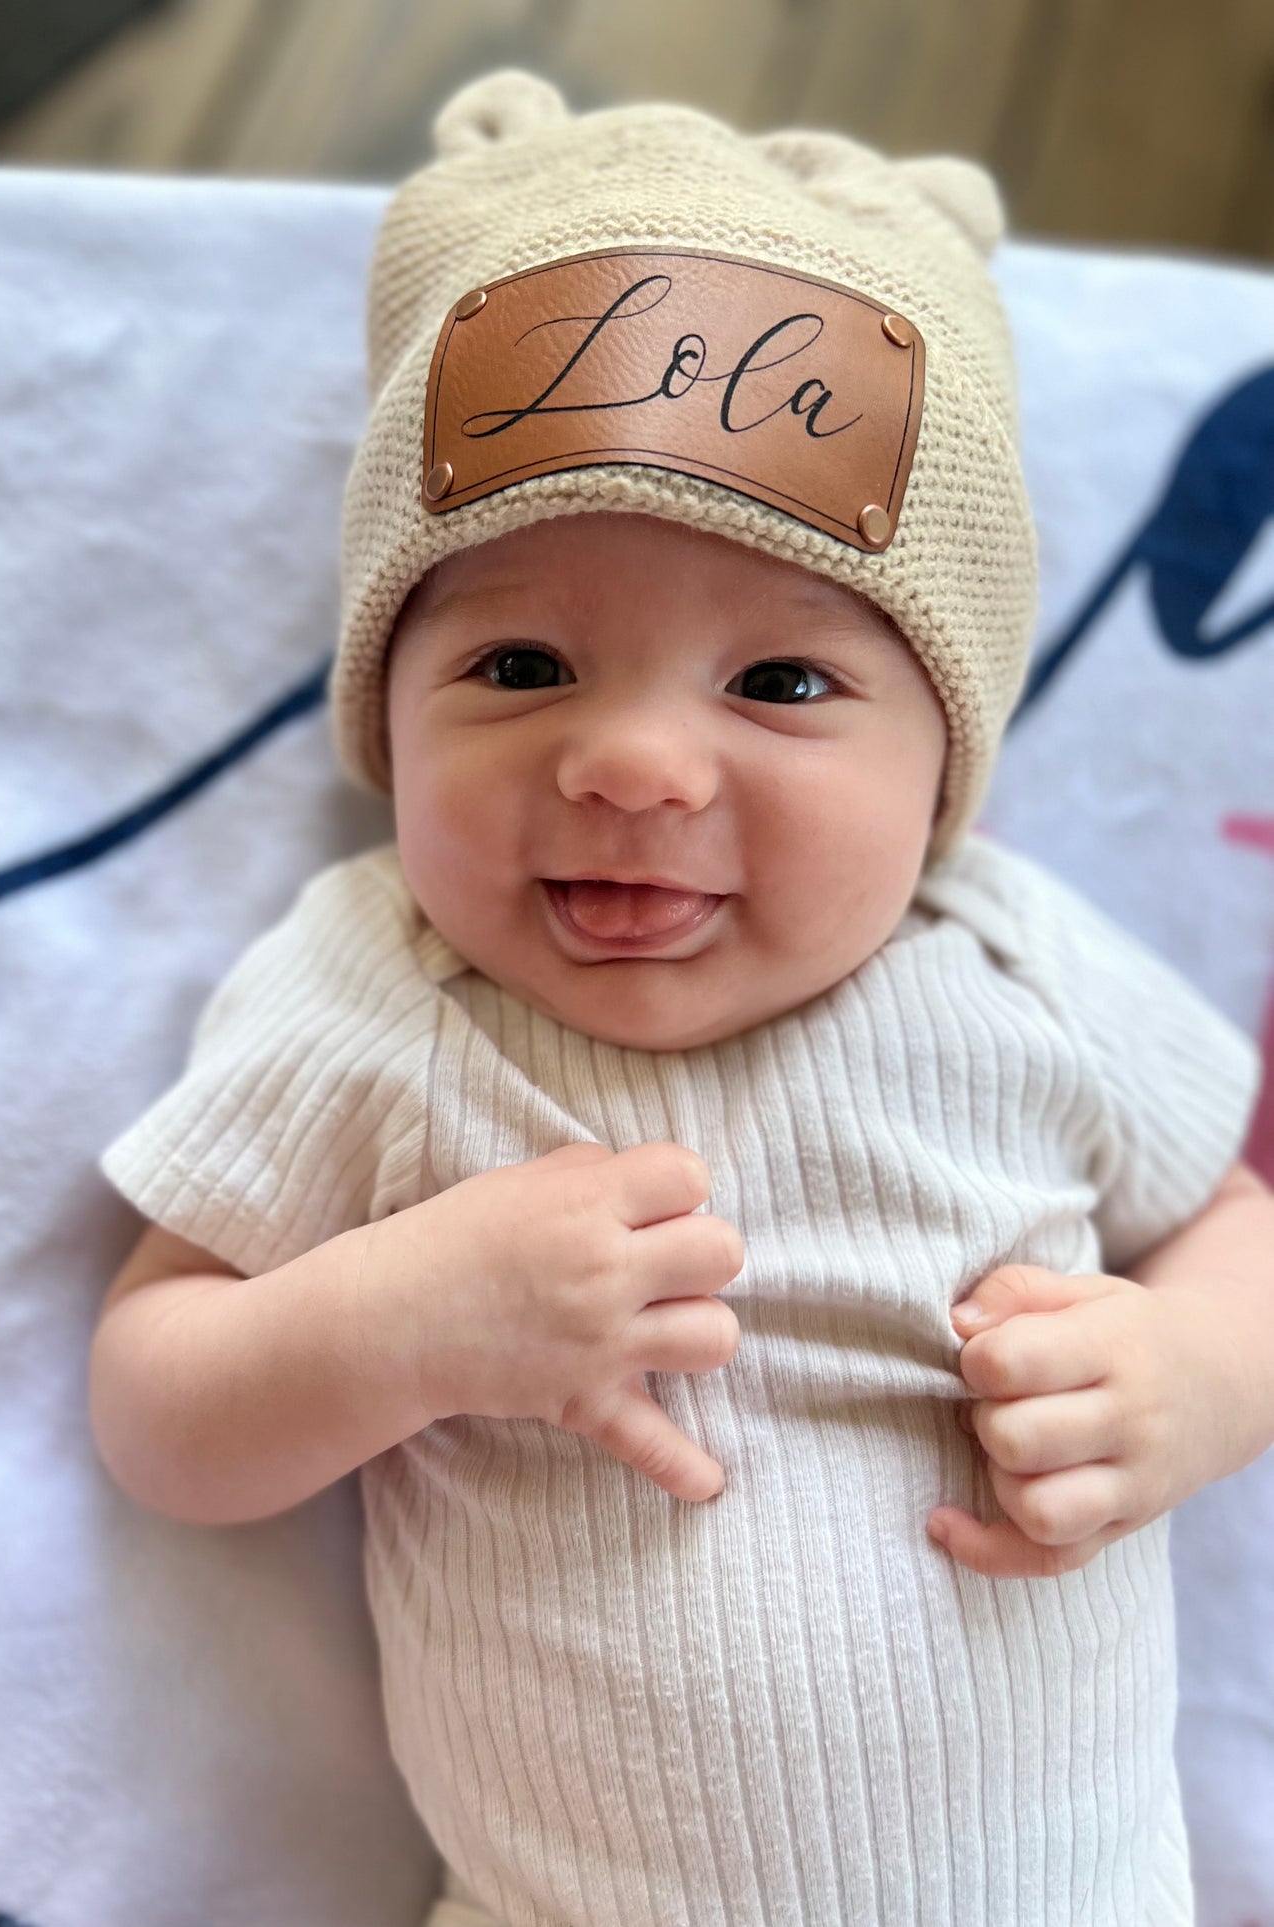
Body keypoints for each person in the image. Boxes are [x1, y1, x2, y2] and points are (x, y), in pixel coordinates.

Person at [88, 71, 1274, 1927]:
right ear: (386, 715)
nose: (634, 763)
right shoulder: (381, 991)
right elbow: (159, 1408)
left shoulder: (1005, 955)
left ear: (943, 759)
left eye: (784, 687)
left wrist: (1200, 1373)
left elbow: (1235, 1222)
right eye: (521, 660)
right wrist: (409, 1320)